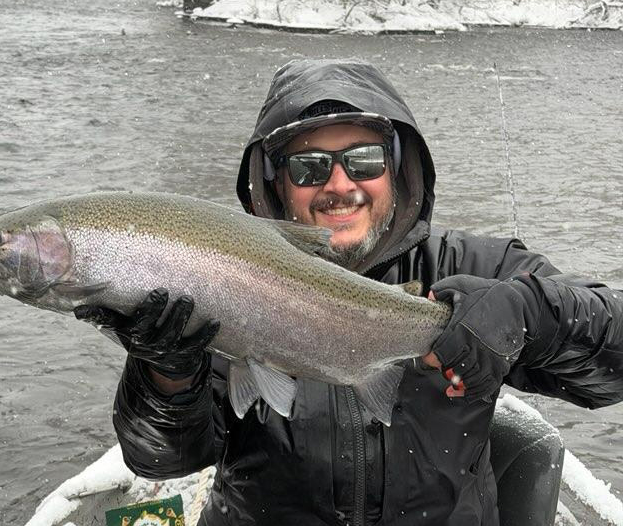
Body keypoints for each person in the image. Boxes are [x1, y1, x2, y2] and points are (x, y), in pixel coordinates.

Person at [76, 59, 623, 525]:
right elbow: (162, 461)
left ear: (396, 170)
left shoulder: (474, 268)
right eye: (309, 167)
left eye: (363, 160)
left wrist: (529, 313)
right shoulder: (221, 281)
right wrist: (165, 373)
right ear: (276, 182)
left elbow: (613, 365)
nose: (339, 185)